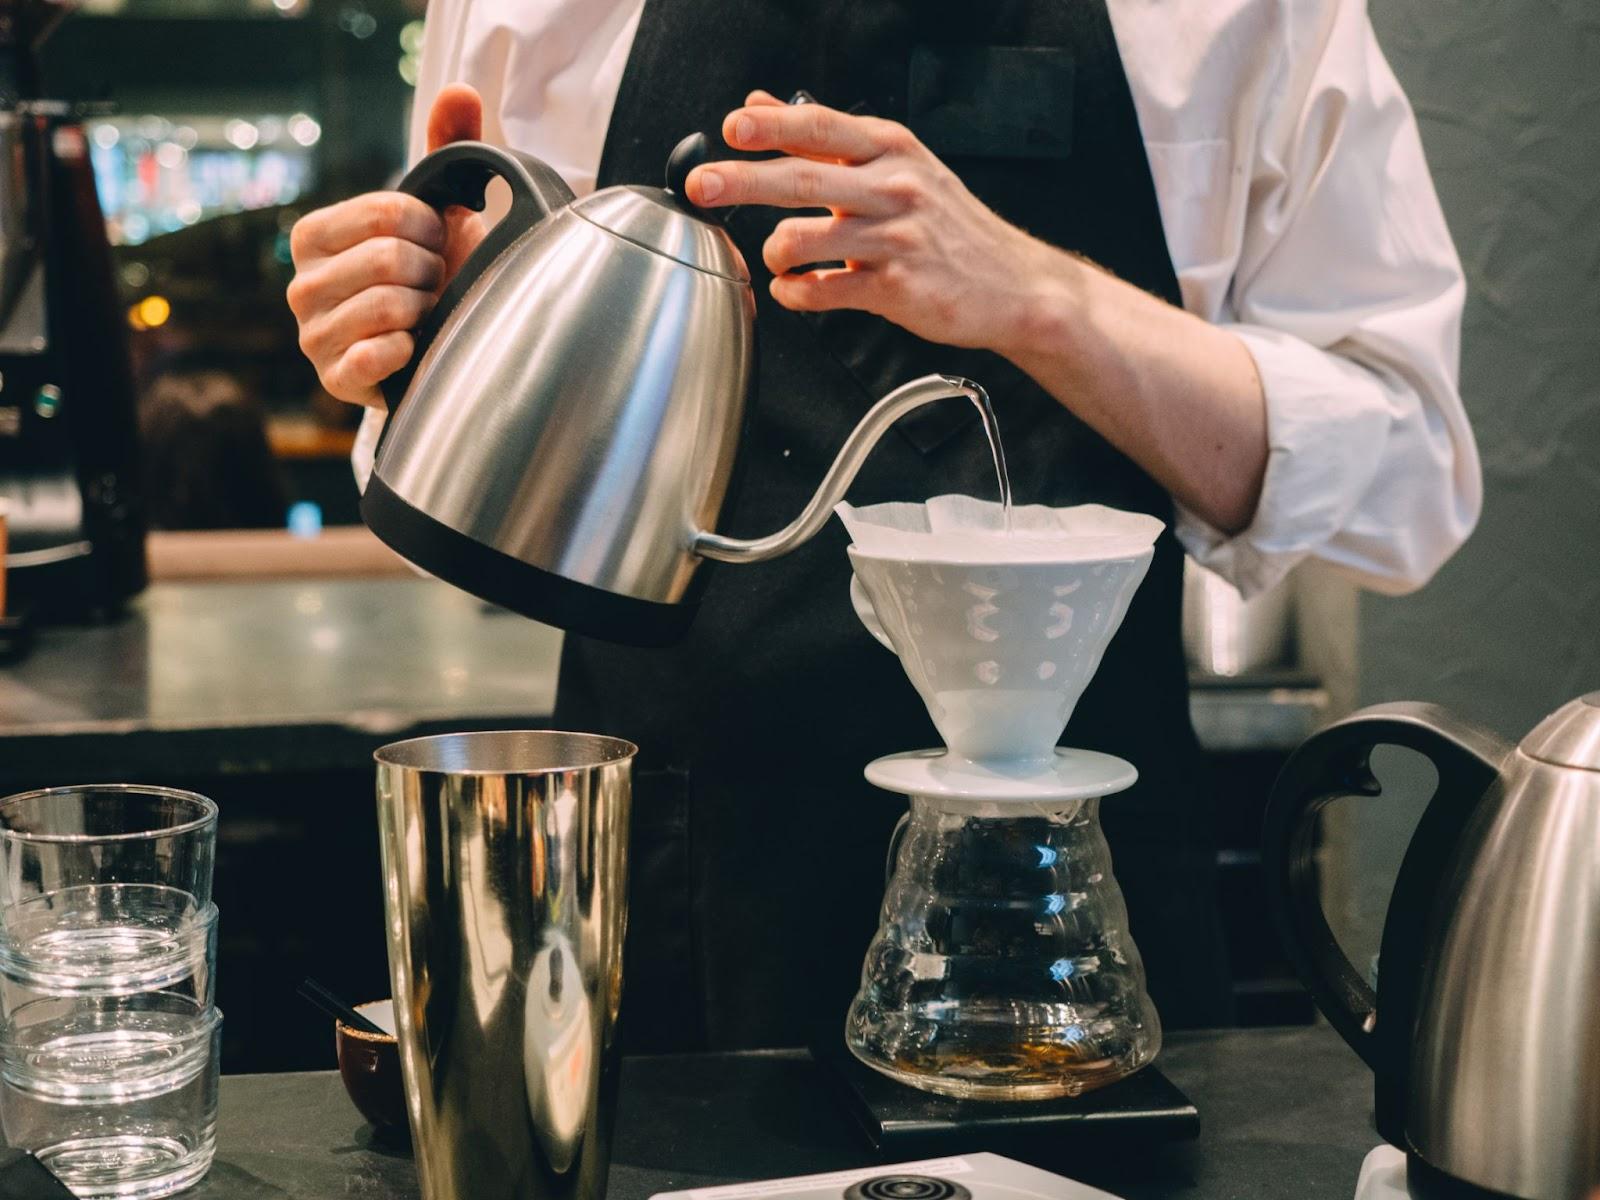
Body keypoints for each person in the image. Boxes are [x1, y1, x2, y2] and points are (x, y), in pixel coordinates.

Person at [287, 0, 1479, 1050]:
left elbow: (1407, 484)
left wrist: (1038, 297)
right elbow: (488, 444)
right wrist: (408, 339)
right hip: (665, 888)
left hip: (1078, 914)